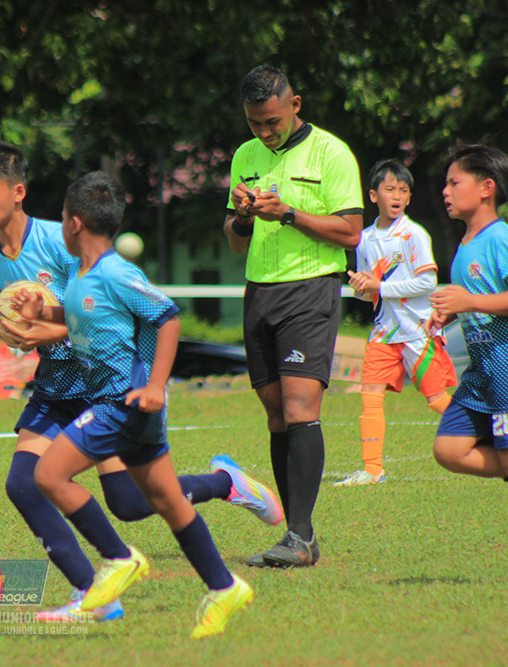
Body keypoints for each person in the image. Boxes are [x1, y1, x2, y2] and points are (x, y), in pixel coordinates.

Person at [0, 139, 281, 622]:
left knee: (130, 503)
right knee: (24, 485)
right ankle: (95, 592)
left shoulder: (64, 240)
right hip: (56, 386)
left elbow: (97, 315)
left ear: (18, 192)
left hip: (104, 385)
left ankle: (225, 483)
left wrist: (41, 328)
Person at [24, 171, 254, 639]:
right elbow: (80, 314)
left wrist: (156, 385)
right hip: (127, 405)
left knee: (48, 474)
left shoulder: (115, 271)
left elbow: (167, 317)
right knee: (167, 500)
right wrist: (39, 312)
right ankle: (223, 586)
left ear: (74, 223)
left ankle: (118, 558)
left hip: (121, 401)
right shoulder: (83, 275)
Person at [222, 65, 363, 567]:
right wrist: (241, 216)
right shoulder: (245, 156)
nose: (265, 131)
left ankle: (300, 538)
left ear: (295, 104)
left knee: (302, 407)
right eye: (256, 122)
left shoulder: (332, 152)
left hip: (310, 289)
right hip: (259, 290)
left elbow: (350, 233)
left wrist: (287, 214)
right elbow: (236, 241)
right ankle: (295, 535)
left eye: (273, 121)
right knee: (277, 413)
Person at [339, 159, 457, 486]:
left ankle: (490, 432)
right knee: (370, 396)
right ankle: (372, 470)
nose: (397, 196)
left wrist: (379, 287)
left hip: (416, 331)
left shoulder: (413, 234)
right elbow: (370, 294)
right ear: (373, 195)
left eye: (403, 191)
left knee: (436, 401)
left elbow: (427, 283)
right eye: (390, 189)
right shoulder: (362, 239)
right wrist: (362, 290)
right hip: (383, 333)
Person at [428, 144, 508, 483]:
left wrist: (469, 303)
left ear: (486, 188)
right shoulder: (465, 244)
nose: (445, 191)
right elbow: (477, 297)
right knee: (448, 448)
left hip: (505, 373)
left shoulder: (499, 238)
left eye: (454, 183)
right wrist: (450, 313)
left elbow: (478, 299)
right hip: (481, 374)